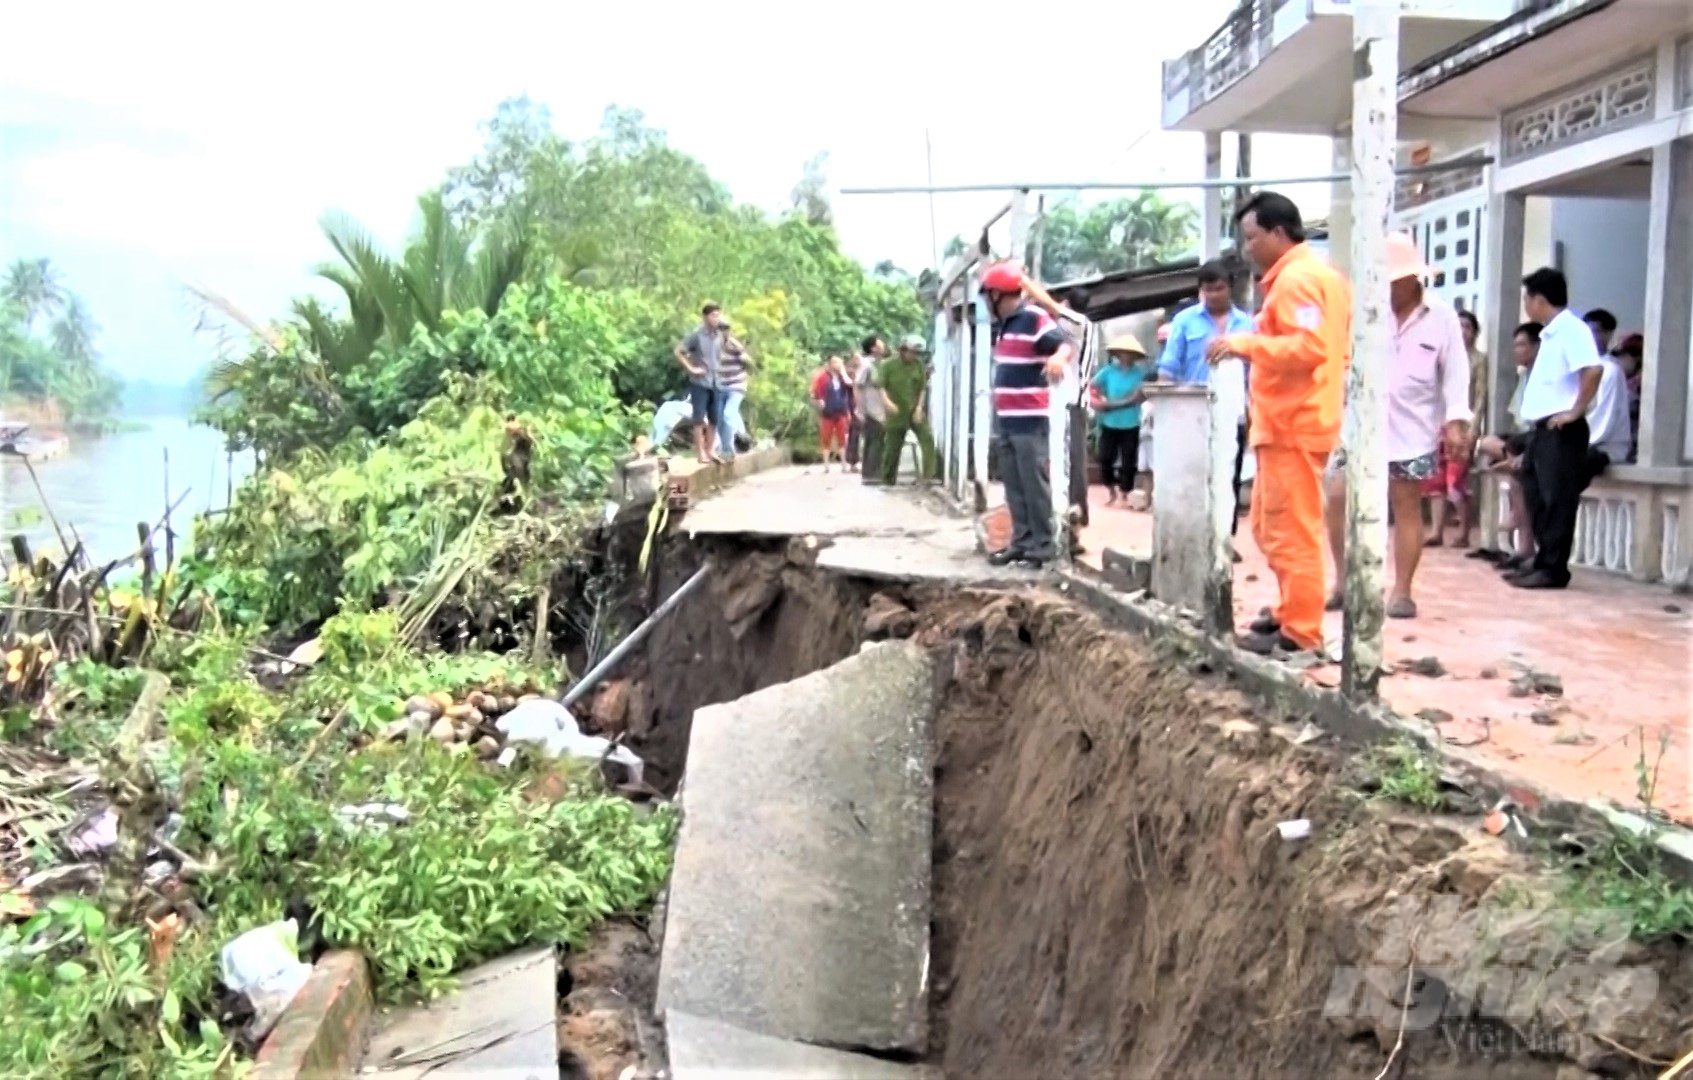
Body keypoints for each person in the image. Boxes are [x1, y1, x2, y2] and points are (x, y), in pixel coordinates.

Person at [1206, 191, 1351, 656]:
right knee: (1271, 527)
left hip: (1296, 422)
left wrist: (1246, 345)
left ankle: (1302, 632)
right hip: (1286, 421)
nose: (1247, 248)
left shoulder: (1299, 281)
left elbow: (1309, 350)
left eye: (1251, 238)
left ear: (1277, 233)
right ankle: (1292, 612)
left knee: (1293, 529)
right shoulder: (1305, 279)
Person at [1323, 233, 1471, 620]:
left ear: (1411, 280)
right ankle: (1342, 580)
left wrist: (1456, 419)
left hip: (1414, 429)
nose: (1384, 289)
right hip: (1358, 427)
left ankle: (1403, 590)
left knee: (1406, 505)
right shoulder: (1364, 313)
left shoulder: (1441, 318)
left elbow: (1456, 372)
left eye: (1390, 281)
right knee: (1336, 495)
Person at [1509, 267, 1603, 590]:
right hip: (1541, 429)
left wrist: (1575, 411)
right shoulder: (1550, 334)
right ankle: (1541, 557)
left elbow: (1592, 371)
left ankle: (1554, 568)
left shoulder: (1572, 330)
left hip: (1561, 429)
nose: (1525, 304)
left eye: (1527, 298)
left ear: (1539, 299)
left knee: (1557, 497)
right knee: (1535, 491)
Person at [980, 261, 1073, 569]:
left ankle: (1043, 544)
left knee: (1033, 482)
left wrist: (1058, 359)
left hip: (1031, 417)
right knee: (1014, 483)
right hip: (1007, 418)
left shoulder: (1033, 317)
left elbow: (1062, 344)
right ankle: (1022, 542)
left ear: (996, 294)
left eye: (987, 296)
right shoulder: (1004, 326)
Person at [1156, 261, 1255, 534]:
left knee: (1229, 473)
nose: (1213, 295)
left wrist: (1252, 410)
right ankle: (1194, 533)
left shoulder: (1247, 324)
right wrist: (1162, 410)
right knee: (1193, 474)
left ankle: (1225, 537)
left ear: (1230, 288)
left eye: (1219, 289)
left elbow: (1254, 370)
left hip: (1234, 409)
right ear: (1201, 290)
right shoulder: (1184, 321)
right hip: (1192, 410)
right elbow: (1169, 366)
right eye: (1208, 290)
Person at [1469, 322, 1544, 569]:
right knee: (1492, 450)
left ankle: (1511, 463)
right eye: (1515, 345)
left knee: (1515, 479)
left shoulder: (1545, 376)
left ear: (1537, 346)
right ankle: (1524, 549)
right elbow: (1518, 419)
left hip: (1539, 438)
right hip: (1523, 437)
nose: (1516, 351)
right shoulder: (1525, 376)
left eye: (1522, 345)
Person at [1424, 308, 1488, 548]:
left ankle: (1464, 531)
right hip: (1438, 425)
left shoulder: (1478, 360)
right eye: (1458, 326)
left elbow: (1480, 397)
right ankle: (1436, 531)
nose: (1462, 331)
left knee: (1455, 481)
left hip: (1462, 426)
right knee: (1435, 481)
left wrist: (1473, 428)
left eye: (1467, 327)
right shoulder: (1441, 358)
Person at [1091, 335, 1150, 507]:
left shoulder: (1139, 374)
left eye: (1130, 353)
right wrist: (1097, 400)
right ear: (1117, 354)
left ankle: (1124, 493)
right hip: (1109, 422)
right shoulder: (1107, 371)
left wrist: (1110, 404)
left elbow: (1136, 398)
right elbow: (1092, 386)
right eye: (1123, 353)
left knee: (1128, 460)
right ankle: (1111, 492)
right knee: (1105, 458)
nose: (1126, 356)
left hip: (1131, 423)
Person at [875, 334, 937, 486]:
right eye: (912, 352)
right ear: (903, 350)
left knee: (927, 439)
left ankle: (929, 476)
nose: (914, 356)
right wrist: (887, 403)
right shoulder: (888, 365)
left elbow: (922, 389)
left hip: (913, 409)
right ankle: (888, 479)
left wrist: (919, 408)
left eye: (917, 353)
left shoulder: (918, 365)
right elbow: (881, 386)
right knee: (892, 447)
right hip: (896, 411)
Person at [675, 303, 727, 464]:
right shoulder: (697, 335)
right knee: (698, 418)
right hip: (700, 382)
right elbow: (678, 351)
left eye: (718, 315)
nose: (716, 318)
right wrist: (691, 368)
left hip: (716, 381)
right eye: (713, 315)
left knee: (715, 418)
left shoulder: (720, 334)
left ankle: (710, 450)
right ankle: (700, 453)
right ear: (705, 317)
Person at [716, 321, 754, 460]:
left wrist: (743, 358)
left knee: (728, 414)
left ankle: (740, 435)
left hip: (736, 385)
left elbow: (750, 364)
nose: (722, 332)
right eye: (719, 329)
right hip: (720, 385)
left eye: (725, 329)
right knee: (719, 419)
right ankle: (727, 450)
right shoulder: (712, 347)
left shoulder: (734, 345)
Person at [855, 335, 889, 485]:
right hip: (871, 409)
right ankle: (872, 474)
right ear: (873, 347)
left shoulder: (879, 364)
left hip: (880, 408)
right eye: (880, 342)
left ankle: (871, 473)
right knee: (875, 441)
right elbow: (857, 386)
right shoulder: (866, 365)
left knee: (876, 441)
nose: (883, 345)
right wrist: (860, 409)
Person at [811, 355, 853, 471]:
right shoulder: (823, 378)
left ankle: (844, 463)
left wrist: (843, 372)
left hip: (841, 412)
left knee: (842, 438)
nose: (837, 365)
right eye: (835, 362)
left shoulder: (842, 378)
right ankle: (826, 465)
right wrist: (820, 401)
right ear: (829, 364)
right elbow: (816, 393)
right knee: (826, 438)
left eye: (839, 362)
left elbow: (850, 384)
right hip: (827, 412)